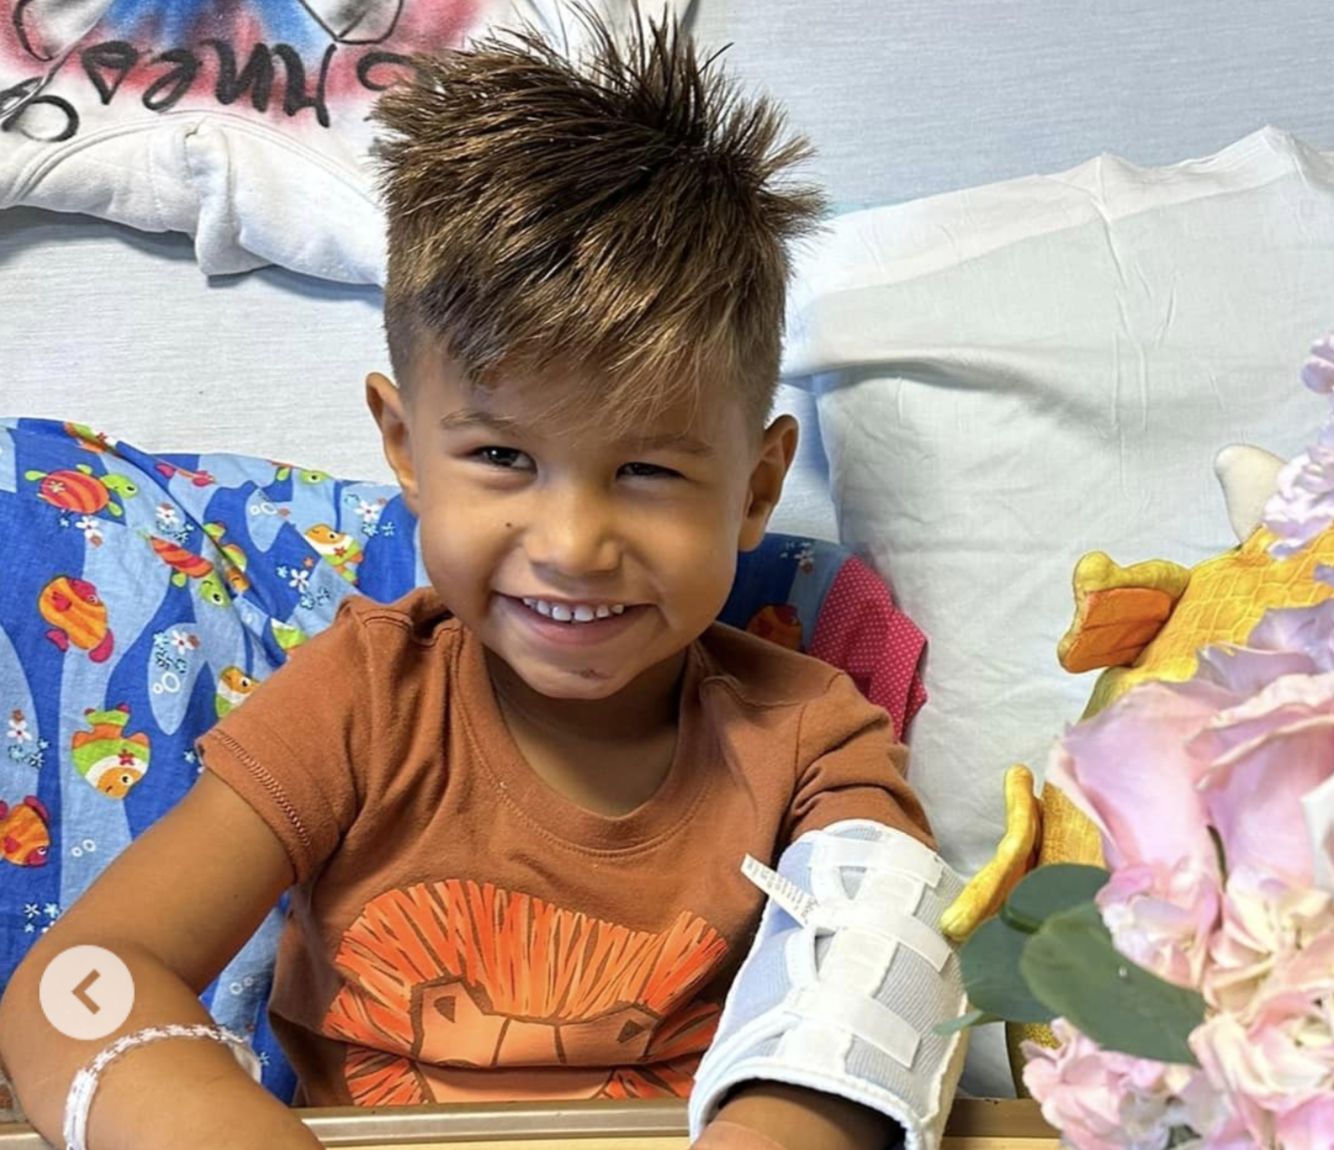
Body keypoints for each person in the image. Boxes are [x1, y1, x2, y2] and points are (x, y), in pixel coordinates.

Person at [0, 13, 964, 1150]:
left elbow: (882, 986)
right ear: (406, 448)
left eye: (648, 469)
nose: (571, 542)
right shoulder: (360, 704)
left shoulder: (811, 734)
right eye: (504, 458)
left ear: (754, 491)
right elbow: (80, 984)